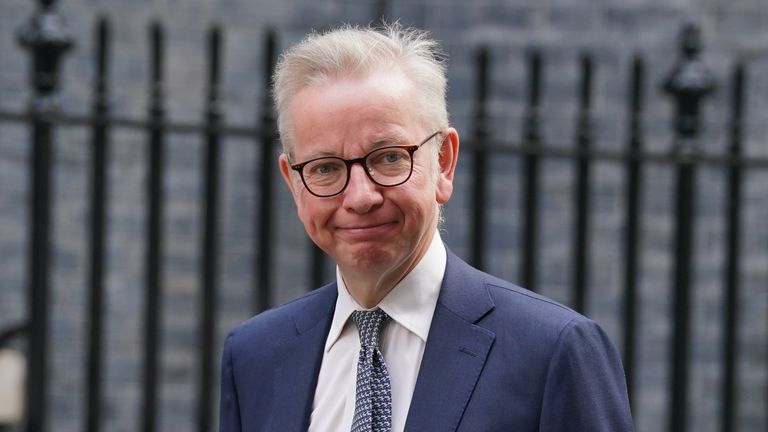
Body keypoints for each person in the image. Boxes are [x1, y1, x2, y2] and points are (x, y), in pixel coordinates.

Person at [219, 23, 634, 432]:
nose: (361, 197)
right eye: (325, 168)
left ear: (444, 162)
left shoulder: (551, 352)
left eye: (388, 158)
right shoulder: (255, 356)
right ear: (294, 183)